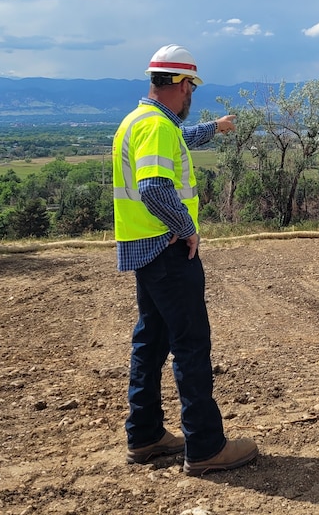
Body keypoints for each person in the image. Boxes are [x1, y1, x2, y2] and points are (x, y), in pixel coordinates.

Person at [114, 43, 258, 474]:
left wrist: (215, 128)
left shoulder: (141, 121)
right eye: (191, 86)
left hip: (147, 250)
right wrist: (187, 226)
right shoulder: (157, 127)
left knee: (151, 343)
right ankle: (206, 446)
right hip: (169, 249)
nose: (192, 94)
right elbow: (155, 187)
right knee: (191, 345)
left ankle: (145, 436)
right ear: (179, 84)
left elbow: (180, 139)